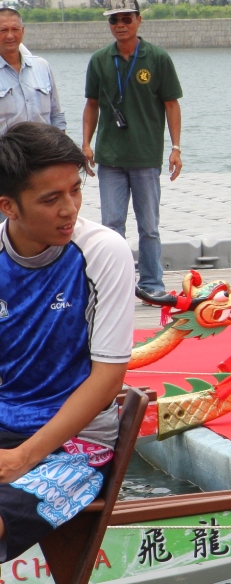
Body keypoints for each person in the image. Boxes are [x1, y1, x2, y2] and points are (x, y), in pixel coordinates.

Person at [0, 122, 134, 562]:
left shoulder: (104, 251)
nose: (69, 209)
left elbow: (108, 378)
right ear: (7, 206)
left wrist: (22, 458)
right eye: (50, 199)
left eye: (75, 191)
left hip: (77, 447)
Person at [81, 0, 182, 301]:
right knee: (111, 225)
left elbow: (171, 105)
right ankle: (116, 283)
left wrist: (176, 148)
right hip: (110, 158)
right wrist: (85, 144)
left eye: (127, 18)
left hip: (146, 156)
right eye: (114, 19)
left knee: (149, 227)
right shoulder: (100, 59)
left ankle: (152, 284)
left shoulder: (158, 58)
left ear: (139, 20)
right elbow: (92, 105)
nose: (120, 24)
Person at [0, 8, 65, 133]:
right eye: (3, 30)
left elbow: (56, 116)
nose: (10, 36)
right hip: (7, 145)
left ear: (22, 31)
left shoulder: (42, 66)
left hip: (44, 144)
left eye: (15, 29)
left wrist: (63, 143)